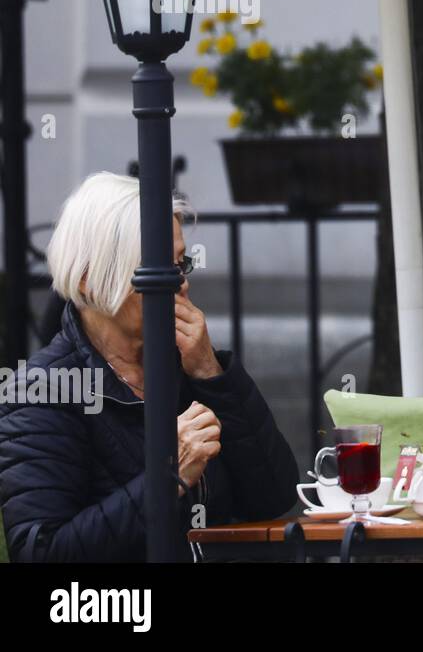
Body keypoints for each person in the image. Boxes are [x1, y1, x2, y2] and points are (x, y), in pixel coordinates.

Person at [0, 173, 298, 562]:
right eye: (156, 268)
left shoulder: (187, 365)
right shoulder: (44, 389)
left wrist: (212, 372)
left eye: (181, 263)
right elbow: (43, 553)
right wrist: (164, 477)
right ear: (90, 278)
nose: (181, 284)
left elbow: (274, 495)